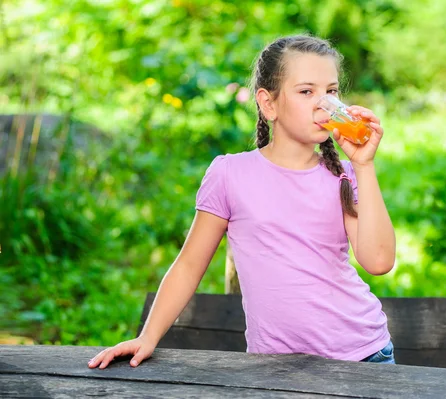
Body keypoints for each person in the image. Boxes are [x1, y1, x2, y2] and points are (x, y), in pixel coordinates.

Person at [88, 34, 396, 370]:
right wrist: (147, 337)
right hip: (274, 366)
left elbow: (378, 261)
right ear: (268, 104)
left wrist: (364, 166)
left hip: (362, 355)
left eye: (331, 91)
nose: (323, 104)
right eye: (306, 91)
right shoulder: (230, 174)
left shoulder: (346, 174)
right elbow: (189, 265)